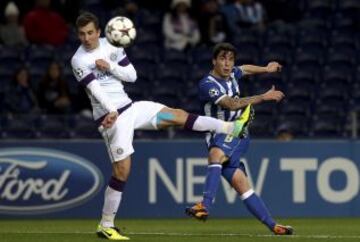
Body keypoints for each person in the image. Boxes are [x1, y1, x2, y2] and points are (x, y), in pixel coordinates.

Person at [70, 12, 252, 240]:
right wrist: (112, 110)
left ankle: (229, 128)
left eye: (90, 33)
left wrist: (110, 67)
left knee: (176, 115)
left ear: (98, 32)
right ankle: (106, 225)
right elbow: (95, 90)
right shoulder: (78, 60)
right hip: (110, 116)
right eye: (82, 34)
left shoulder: (113, 44)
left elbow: (132, 76)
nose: (86, 38)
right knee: (122, 171)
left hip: (129, 107)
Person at [185, 42, 294, 235]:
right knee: (242, 185)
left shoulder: (232, 73)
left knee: (216, 155)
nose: (227, 64)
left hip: (234, 132)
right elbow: (232, 104)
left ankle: (205, 205)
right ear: (214, 61)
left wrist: (266, 69)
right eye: (222, 59)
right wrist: (262, 97)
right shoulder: (208, 84)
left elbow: (245, 69)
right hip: (218, 134)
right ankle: (273, 226)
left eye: (230, 60)